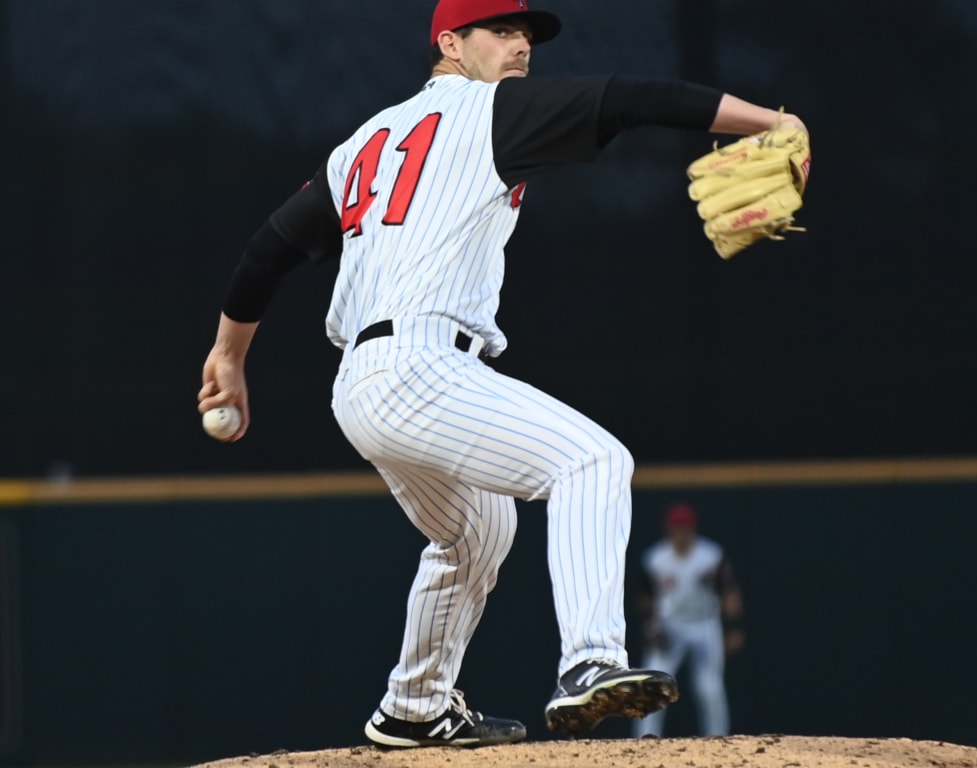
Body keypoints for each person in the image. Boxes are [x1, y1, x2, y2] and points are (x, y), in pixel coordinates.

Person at [196, 0, 807, 748]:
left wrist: (229, 355)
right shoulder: (492, 109)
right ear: (450, 43)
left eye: (527, 34)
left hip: (362, 384)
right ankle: (590, 661)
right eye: (502, 31)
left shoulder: (364, 143)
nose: (520, 47)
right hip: (418, 364)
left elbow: (269, 248)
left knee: (480, 531)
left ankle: (413, 706)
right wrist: (769, 122)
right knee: (592, 461)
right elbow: (632, 98)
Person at [631, 502, 745, 738]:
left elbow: (729, 591)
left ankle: (718, 739)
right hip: (669, 625)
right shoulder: (655, 558)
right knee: (653, 686)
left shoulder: (711, 556)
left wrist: (733, 627)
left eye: (685, 527)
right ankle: (644, 741)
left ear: (693, 528)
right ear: (668, 529)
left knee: (709, 688)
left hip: (705, 624)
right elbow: (645, 597)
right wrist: (650, 626)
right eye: (676, 528)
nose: (681, 533)